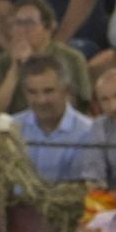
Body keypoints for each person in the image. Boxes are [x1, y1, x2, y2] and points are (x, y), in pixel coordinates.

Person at [0, 0, 90, 118]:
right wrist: (14, 71)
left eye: (29, 23)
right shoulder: (3, 62)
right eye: (18, 23)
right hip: (17, 130)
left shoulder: (72, 58)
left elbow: (79, 108)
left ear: (48, 28)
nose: (22, 30)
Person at [18, 55, 93, 183]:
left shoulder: (88, 132)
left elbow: (82, 188)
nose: (41, 100)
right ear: (24, 93)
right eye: (32, 92)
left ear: (66, 90)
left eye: (48, 91)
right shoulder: (12, 127)